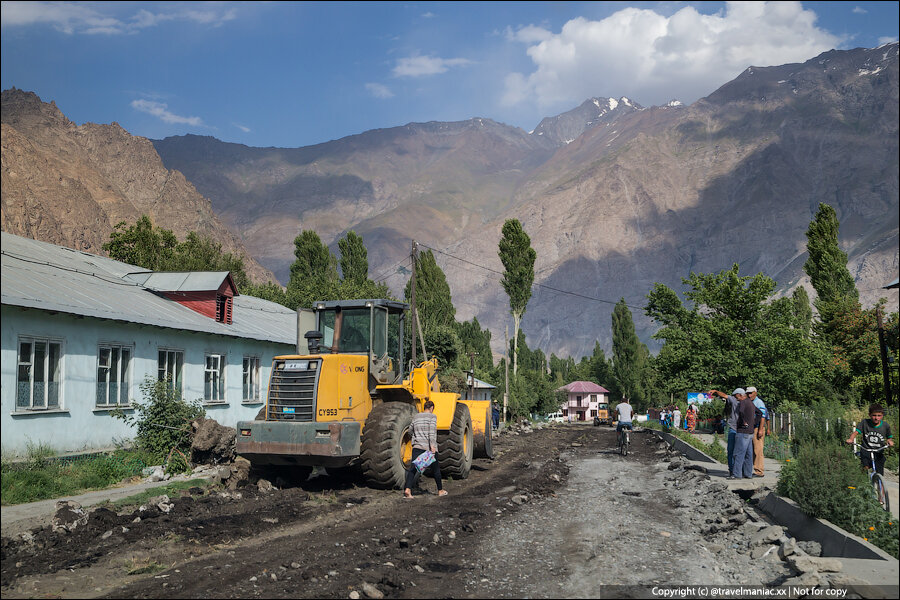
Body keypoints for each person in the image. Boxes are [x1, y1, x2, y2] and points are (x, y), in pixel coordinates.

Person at [403, 400, 447, 498]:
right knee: (436, 469)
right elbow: (431, 432)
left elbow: (410, 430)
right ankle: (440, 490)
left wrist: (414, 438)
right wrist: (432, 446)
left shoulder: (416, 416)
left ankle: (408, 489)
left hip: (417, 446)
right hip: (428, 448)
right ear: (431, 408)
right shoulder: (432, 417)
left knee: (413, 469)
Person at [846, 403, 894, 476]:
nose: (876, 418)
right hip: (866, 449)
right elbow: (855, 432)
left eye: (879, 415)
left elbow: (889, 437)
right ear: (869, 415)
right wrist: (851, 439)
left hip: (879, 451)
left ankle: (881, 486)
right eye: (874, 415)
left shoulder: (885, 425)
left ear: (882, 415)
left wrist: (890, 441)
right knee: (865, 466)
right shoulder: (865, 423)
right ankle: (864, 481)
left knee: (879, 472)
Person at [709, 388, 746, 475]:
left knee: (731, 451)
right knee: (741, 451)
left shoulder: (734, 400)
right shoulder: (748, 402)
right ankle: (740, 470)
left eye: (734, 395)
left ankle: (733, 470)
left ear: (738, 394)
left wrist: (715, 391)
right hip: (743, 430)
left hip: (734, 428)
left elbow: (724, 395)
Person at [731, 391, 757, 479]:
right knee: (748, 455)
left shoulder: (743, 402)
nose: (735, 398)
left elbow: (741, 412)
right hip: (750, 432)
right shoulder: (751, 403)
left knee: (738, 453)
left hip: (743, 432)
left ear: (740, 395)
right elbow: (760, 413)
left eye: (736, 396)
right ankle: (748, 474)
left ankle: (737, 474)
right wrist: (753, 423)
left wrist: (744, 422)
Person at [746, 387, 767, 476]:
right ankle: (755, 469)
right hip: (752, 428)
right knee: (753, 450)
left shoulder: (758, 402)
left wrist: (760, 429)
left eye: (751, 393)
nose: (749, 395)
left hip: (757, 428)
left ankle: (759, 470)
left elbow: (763, 416)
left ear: (755, 393)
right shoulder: (751, 401)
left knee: (758, 450)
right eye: (748, 393)